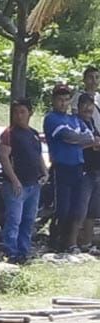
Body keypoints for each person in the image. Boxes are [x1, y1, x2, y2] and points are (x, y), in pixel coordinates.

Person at [44, 84, 98, 253]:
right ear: (54, 100)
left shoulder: (73, 119)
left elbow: (89, 137)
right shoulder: (51, 118)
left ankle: (69, 244)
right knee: (62, 208)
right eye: (60, 99)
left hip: (78, 167)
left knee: (76, 208)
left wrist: (79, 139)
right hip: (61, 168)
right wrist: (79, 138)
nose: (63, 103)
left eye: (66, 99)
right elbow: (68, 136)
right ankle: (56, 243)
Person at [0, 99, 49, 263]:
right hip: (16, 185)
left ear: (30, 113)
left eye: (22, 112)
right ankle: (11, 251)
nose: (19, 116)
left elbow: (38, 155)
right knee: (14, 219)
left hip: (34, 184)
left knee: (28, 219)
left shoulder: (34, 133)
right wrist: (14, 180)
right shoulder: (9, 133)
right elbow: (4, 158)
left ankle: (24, 250)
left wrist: (45, 172)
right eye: (16, 112)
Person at [76, 93, 100, 254]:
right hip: (82, 170)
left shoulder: (92, 122)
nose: (88, 108)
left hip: (96, 170)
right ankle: (73, 242)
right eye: (84, 104)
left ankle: (87, 243)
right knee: (80, 209)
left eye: (90, 105)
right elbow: (73, 145)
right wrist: (93, 142)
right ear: (78, 107)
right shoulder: (75, 123)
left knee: (93, 210)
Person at [71, 66, 100, 131]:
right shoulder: (78, 96)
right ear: (84, 80)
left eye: (97, 77)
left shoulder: (98, 96)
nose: (94, 80)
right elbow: (75, 117)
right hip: (88, 134)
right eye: (90, 77)